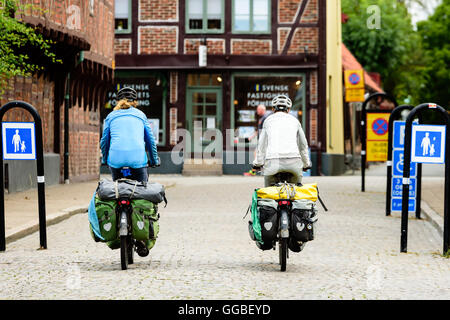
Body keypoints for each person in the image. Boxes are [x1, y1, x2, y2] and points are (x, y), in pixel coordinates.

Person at [100, 87, 159, 183]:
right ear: (135, 102)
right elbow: (150, 140)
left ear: (118, 102)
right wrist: (154, 160)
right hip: (138, 160)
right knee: (142, 191)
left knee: (116, 191)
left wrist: (105, 159)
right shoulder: (141, 115)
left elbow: (104, 141)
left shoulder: (110, 116)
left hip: (116, 160)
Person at [252, 94, 312, 187]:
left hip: (272, 162)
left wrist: (258, 163)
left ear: (273, 109)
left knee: (269, 193)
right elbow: (303, 145)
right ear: (288, 109)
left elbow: (261, 145)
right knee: (297, 192)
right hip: (294, 162)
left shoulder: (267, 121)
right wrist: (306, 163)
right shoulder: (295, 121)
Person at [243, 104, 271, 176]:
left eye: (258, 109)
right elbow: (258, 130)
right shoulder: (262, 118)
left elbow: (266, 130)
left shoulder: (265, 118)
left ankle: (255, 171)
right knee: (260, 155)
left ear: (262, 110)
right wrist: (251, 137)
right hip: (262, 140)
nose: (257, 111)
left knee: (258, 154)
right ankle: (258, 170)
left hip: (264, 141)